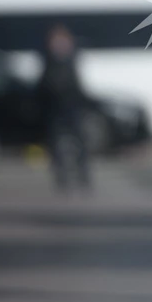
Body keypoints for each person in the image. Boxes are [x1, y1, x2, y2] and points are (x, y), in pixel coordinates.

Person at [36, 24, 91, 193]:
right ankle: (63, 178)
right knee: (55, 145)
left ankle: (84, 177)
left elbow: (77, 83)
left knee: (80, 143)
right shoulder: (48, 59)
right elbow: (44, 83)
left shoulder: (72, 58)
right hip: (55, 108)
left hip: (72, 106)